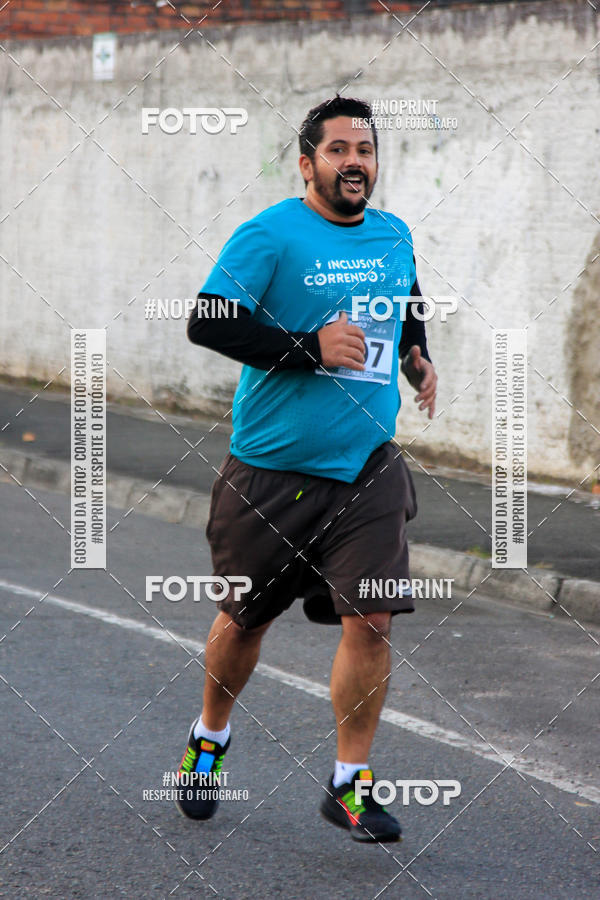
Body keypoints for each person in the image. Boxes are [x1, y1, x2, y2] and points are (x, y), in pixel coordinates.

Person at [176, 96, 438, 843]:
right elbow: (209, 318)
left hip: (367, 467)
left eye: (366, 149)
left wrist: (418, 354)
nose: (356, 161)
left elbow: (406, 296)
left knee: (374, 619)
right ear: (307, 163)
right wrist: (306, 347)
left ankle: (349, 785)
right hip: (269, 471)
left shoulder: (392, 233)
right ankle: (209, 740)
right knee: (244, 620)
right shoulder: (270, 234)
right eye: (339, 150)